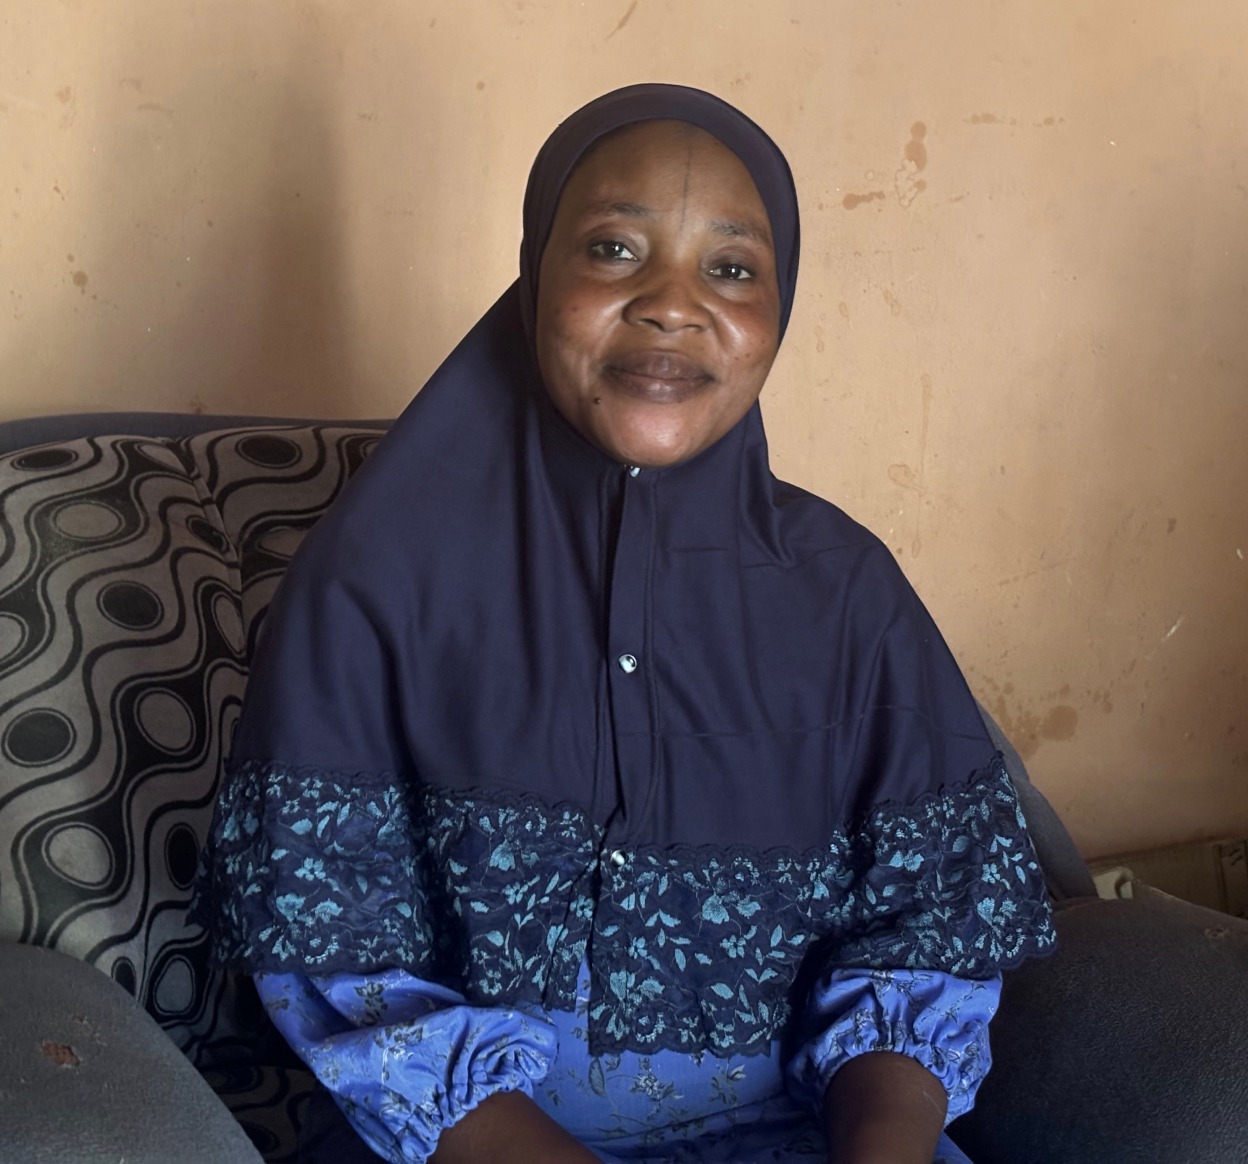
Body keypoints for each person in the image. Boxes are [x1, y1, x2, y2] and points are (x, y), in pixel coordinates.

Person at [195, 84, 1055, 1164]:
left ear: (780, 309)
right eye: (613, 250)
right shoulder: (374, 581)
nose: (671, 304)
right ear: (533, 281)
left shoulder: (847, 591)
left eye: (731, 268)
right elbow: (346, 974)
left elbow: (927, 936)